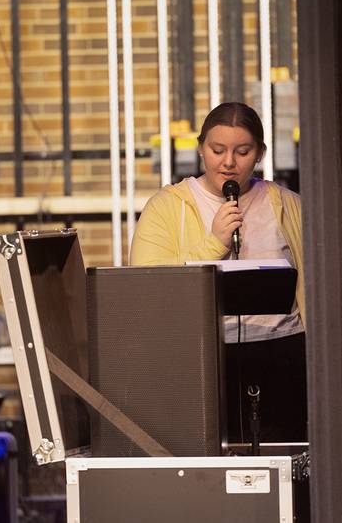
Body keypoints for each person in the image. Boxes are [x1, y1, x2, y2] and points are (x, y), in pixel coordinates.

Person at [130, 102, 306, 443]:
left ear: (260, 153)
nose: (228, 162)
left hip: (282, 353)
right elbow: (147, 288)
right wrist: (214, 243)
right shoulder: (166, 208)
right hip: (202, 359)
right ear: (200, 149)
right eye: (217, 150)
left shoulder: (287, 205)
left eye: (242, 151)